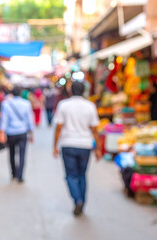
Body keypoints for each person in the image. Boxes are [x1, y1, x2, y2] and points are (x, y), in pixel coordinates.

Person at [53, 81, 101, 216]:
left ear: (70, 91)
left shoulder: (63, 105)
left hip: (68, 144)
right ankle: (82, 201)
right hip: (85, 145)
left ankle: (77, 199)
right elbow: (95, 130)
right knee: (82, 175)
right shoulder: (90, 106)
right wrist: (98, 148)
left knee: (70, 176)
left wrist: (55, 146)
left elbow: (58, 128)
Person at [0, 86, 34, 183]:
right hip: (22, 132)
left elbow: (4, 120)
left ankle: (13, 173)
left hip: (11, 133)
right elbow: (29, 120)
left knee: (11, 153)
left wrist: (2, 133)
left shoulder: (6, 104)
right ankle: (20, 175)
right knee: (22, 154)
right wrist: (31, 133)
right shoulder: (26, 104)